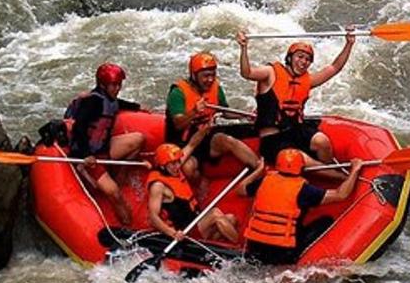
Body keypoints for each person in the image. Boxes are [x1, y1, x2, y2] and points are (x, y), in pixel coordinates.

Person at [236, 29, 355, 172]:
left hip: (295, 131)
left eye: (307, 59)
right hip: (272, 139)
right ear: (290, 58)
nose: (304, 62)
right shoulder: (270, 73)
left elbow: (335, 67)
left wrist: (349, 44)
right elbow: (247, 73)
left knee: (322, 141)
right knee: (299, 158)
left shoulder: (308, 80)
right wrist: (243, 48)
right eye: (300, 57)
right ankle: (343, 179)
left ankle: (330, 174)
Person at [243, 148, 367, 265]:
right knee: (326, 221)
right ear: (301, 167)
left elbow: (240, 190)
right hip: (283, 253)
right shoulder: (304, 190)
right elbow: (341, 194)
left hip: (254, 248)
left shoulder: (264, 181)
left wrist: (258, 170)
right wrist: (355, 170)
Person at [164, 50, 263, 181]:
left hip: (205, 137)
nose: (210, 80)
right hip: (182, 143)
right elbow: (178, 124)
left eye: (213, 75)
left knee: (226, 140)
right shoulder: (177, 93)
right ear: (194, 75)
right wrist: (195, 112)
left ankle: (260, 169)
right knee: (187, 168)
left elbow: (225, 111)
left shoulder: (215, 88)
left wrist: (246, 115)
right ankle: (201, 184)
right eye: (205, 76)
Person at [67, 62, 146, 226]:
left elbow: (120, 103)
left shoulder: (110, 99)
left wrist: (138, 107)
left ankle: (120, 175)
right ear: (103, 85)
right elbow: (78, 128)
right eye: (114, 85)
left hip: (103, 148)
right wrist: (85, 155)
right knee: (114, 193)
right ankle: (127, 225)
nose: (117, 89)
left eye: (119, 85)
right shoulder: (92, 102)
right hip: (88, 155)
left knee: (138, 139)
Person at [145, 131, 240, 244]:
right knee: (215, 214)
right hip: (186, 230)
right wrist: (172, 233)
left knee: (230, 219)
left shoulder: (174, 169)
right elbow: (153, 216)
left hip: (195, 220)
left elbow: (192, 144)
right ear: (162, 165)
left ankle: (209, 247)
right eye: (173, 164)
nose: (177, 166)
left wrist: (203, 130)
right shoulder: (158, 186)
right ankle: (241, 250)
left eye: (178, 162)